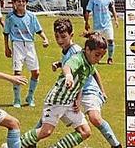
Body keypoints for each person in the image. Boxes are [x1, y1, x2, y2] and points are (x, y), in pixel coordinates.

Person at [39, 19, 121, 148]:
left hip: (87, 90)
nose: (60, 40)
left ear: (71, 35)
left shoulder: (76, 50)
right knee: (52, 109)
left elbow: (93, 72)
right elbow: (69, 64)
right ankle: (31, 141)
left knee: (94, 118)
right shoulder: (67, 50)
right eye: (57, 37)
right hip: (74, 90)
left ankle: (116, 145)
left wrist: (101, 90)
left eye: (63, 37)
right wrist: (59, 64)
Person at [17, 32, 109, 148]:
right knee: (46, 131)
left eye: (102, 56)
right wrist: (68, 76)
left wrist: (78, 100)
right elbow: (67, 66)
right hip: (57, 100)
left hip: (69, 103)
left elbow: (81, 83)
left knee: (85, 131)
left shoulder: (90, 65)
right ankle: (13, 145)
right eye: (97, 55)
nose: (99, 58)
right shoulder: (78, 58)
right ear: (87, 49)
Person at [3, 0, 48, 108]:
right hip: (17, 45)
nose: (21, 4)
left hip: (30, 45)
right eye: (18, 1)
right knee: (17, 73)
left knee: (36, 72)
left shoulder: (32, 16)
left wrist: (45, 39)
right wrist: (6, 47)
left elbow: (39, 30)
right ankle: (17, 99)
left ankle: (30, 96)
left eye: (23, 1)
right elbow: (6, 33)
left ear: (26, 3)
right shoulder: (10, 17)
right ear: (14, 3)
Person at [84, 0, 118, 65]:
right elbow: (87, 11)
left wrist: (116, 19)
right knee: (97, 44)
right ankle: (97, 58)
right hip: (97, 25)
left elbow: (112, 9)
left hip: (107, 24)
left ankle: (110, 58)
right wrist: (86, 22)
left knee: (110, 40)